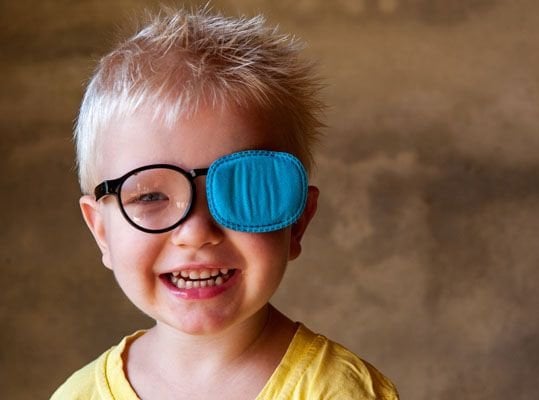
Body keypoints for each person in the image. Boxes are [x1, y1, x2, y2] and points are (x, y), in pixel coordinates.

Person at [51, 7, 398, 400]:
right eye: (150, 196)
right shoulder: (76, 396)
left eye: (244, 188)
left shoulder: (342, 392)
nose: (196, 232)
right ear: (101, 232)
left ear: (297, 221)